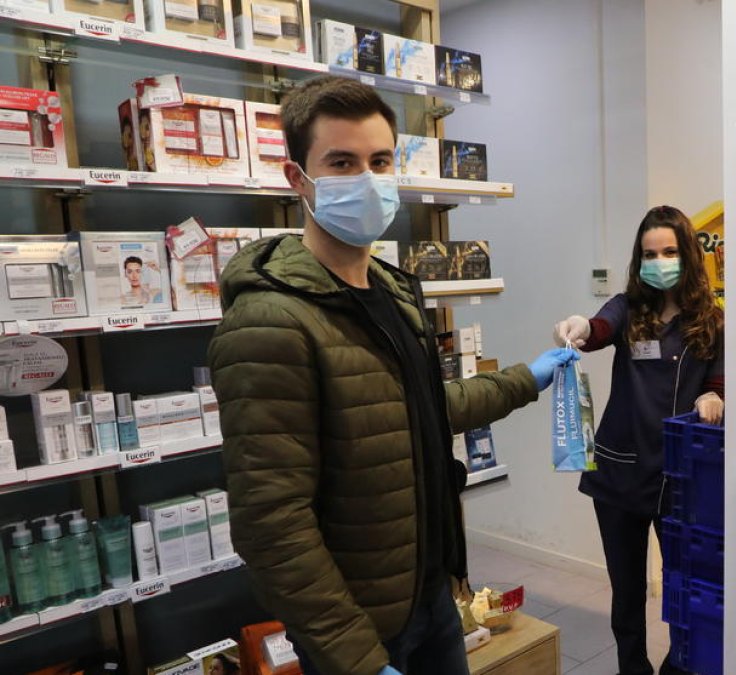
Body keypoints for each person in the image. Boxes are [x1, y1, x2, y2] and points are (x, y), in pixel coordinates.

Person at [208, 76, 577, 675]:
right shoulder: (269, 323)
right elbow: (272, 526)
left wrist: (527, 378)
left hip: (431, 594)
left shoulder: (395, 292)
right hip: (361, 627)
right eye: (342, 163)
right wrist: (356, 658)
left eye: (379, 161)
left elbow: (422, 411)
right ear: (296, 179)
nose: (367, 179)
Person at [555, 205, 724, 675]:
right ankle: (632, 668)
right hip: (619, 473)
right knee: (626, 589)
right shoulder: (628, 308)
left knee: (683, 586)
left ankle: (679, 667)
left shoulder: (710, 318)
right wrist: (581, 327)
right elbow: (598, 329)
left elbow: (720, 381)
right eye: (650, 253)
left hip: (680, 478)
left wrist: (714, 395)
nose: (659, 260)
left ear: (687, 255)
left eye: (669, 251)